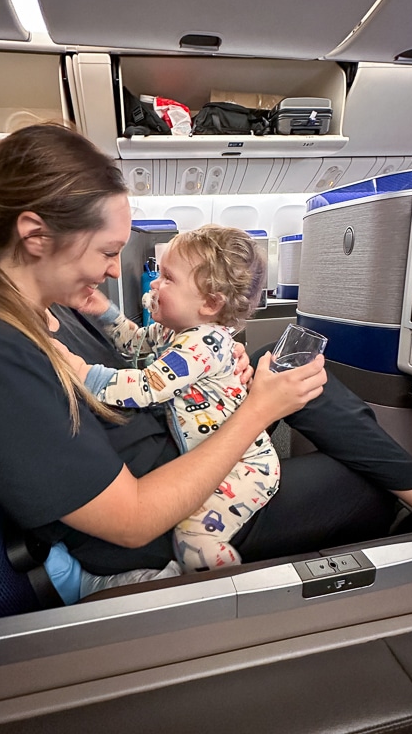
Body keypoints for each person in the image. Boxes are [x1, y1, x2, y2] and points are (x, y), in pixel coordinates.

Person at [0, 123, 412, 603]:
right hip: (172, 519)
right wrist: (255, 412)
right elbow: (131, 520)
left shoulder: (47, 313)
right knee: (366, 482)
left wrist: (226, 373)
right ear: (35, 236)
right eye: (105, 251)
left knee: (282, 362)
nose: (116, 273)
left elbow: (138, 361)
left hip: (183, 450)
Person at [65, 224, 280, 572]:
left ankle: (226, 587)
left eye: (167, 277)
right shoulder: (174, 330)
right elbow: (135, 342)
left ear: (210, 303)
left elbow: (149, 386)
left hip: (245, 467)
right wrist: (105, 312)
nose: (155, 284)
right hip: (220, 457)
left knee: (193, 536)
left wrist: (85, 374)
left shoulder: (202, 345)